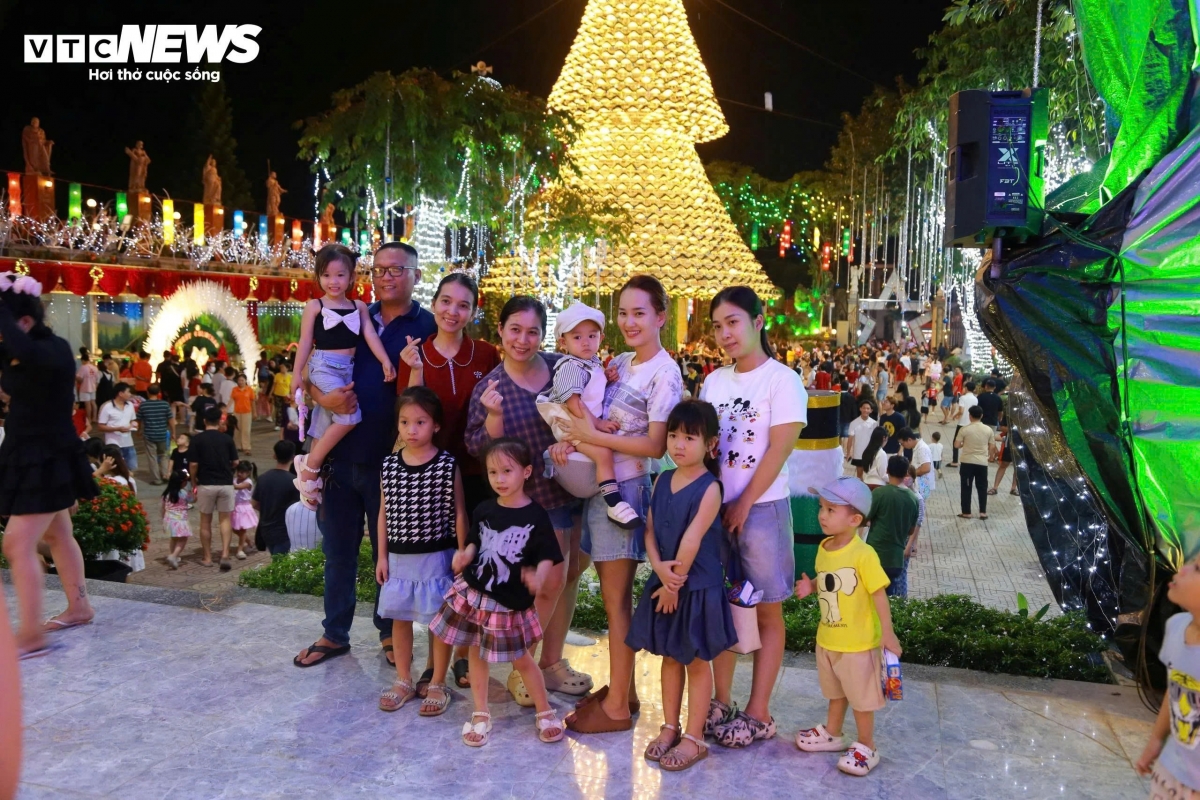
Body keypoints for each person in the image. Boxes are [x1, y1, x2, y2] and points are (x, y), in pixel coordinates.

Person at [293, 241, 436, 669]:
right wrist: (320, 396)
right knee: (337, 551)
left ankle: (389, 632)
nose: (386, 277)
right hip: (341, 456)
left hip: (389, 460)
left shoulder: (427, 323)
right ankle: (334, 632)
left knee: (385, 554)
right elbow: (312, 365)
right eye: (379, 270)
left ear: (415, 274)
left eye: (396, 270)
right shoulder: (355, 311)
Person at [558, 276, 682, 733]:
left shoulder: (665, 373)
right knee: (613, 598)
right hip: (599, 488)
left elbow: (655, 446)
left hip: (626, 490)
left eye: (640, 313)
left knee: (616, 603)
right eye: (623, 313)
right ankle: (622, 692)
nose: (629, 322)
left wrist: (583, 436)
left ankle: (616, 710)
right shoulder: (623, 362)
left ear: (660, 317)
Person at [464, 295, 592, 705]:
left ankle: (552, 663)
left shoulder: (561, 367)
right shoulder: (490, 389)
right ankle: (526, 667)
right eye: (515, 330)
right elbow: (482, 450)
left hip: (579, 487)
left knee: (571, 574)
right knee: (549, 584)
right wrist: (493, 418)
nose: (523, 339)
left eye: (532, 331)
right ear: (500, 331)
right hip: (536, 501)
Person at [700, 286, 806, 749]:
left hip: (761, 511)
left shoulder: (782, 381)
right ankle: (720, 700)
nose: (725, 334)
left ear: (759, 321)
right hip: (715, 509)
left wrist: (744, 503)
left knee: (765, 612)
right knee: (721, 606)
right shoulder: (715, 382)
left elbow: (778, 450)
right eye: (718, 326)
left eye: (734, 322)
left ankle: (759, 712)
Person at [396, 272, 500, 685]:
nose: (452, 311)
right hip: (433, 480)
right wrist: (416, 369)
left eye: (462, 305)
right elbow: (413, 410)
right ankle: (431, 664)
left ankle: (462, 653)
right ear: (434, 303)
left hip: (479, 474)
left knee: (471, 568)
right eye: (445, 301)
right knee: (436, 571)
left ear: (473, 311)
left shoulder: (486, 354)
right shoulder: (415, 354)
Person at [429, 438, 565, 747]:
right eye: (493, 472)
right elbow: (476, 539)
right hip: (477, 592)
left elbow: (548, 554)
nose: (500, 479)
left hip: (509, 601)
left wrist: (538, 576)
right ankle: (480, 712)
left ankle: (544, 711)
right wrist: (465, 554)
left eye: (507, 471)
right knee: (477, 652)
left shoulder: (535, 515)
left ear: (526, 472)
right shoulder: (485, 508)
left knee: (522, 658)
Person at [627, 400, 736, 771]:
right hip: (666, 583)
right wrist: (659, 569)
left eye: (689, 437)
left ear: (710, 444)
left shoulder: (710, 488)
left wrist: (673, 586)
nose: (678, 444)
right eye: (673, 435)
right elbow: (651, 530)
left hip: (696, 587)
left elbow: (691, 540)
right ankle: (669, 726)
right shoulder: (662, 479)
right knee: (670, 657)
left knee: (696, 660)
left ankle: (694, 738)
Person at [0, 273, 97, 659]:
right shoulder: (24, 346)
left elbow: (23, 347)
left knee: (17, 543)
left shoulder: (51, 349)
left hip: (45, 456)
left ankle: (31, 635)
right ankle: (79, 607)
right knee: (58, 535)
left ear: (23, 321)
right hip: (34, 453)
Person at [794, 476, 902, 775]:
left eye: (831, 510)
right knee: (835, 691)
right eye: (822, 507)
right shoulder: (825, 547)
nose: (822, 515)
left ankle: (867, 745)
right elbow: (826, 577)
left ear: (855, 519)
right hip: (828, 638)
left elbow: (879, 595)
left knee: (861, 699)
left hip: (858, 644)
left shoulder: (864, 555)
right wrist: (811, 587)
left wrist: (888, 634)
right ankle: (832, 732)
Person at [375, 387, 466, 718]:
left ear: (436, 426)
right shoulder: (388, 465)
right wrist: (382, 556)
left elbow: (458, 512)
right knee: (399, 619)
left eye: (420, 422)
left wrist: (460, 553)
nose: (411, 430)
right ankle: (403, 679)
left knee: (438, 622)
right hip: (399, 557)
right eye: (404, 422)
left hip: (436, 557)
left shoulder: (445, 464)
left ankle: (439, 681)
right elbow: (383, 512)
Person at [292, 244, 398, 509]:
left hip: (347, 368)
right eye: (326, 275)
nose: (333, 281)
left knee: (326, 418)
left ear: (352, 277)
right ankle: (310, 465)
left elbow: (370, 335)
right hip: (323, 366)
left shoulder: (359, 306)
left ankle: (311, 482)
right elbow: (305, 341)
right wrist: (296, 373)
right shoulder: (314, 306)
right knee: (350, 416)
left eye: (340, 275)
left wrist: (385, 360)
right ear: (318, 277)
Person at [536, 301, 640, 528]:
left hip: (583, 427)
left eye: (592, 336)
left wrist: (607, 375)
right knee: (603, 453)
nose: (586, 342)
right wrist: (598, 424)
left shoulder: (590, 363)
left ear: (601, 338)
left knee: (602, 452)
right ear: (563, 342)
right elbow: (573, 402)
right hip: (574, 425)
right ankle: (614, 504)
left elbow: (593, 387)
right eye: (577, 337)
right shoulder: (570, 367)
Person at [1136, 554, 1200, 797]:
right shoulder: (1176, 626)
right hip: (1170, 772)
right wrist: (1155, 741)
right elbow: (1175, 691)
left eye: (1197, 569)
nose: (1182, 570)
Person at [190, 405, 240, 570]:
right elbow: (235, 462)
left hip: (206, 484)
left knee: (205, 521)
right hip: (225, 483)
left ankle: (207, 557)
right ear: (220, 421)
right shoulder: (226, 439)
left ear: (204, 421)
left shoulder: (197, 439)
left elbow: (193, 465)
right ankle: (225, 554)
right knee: (225, 519)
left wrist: (193, 483)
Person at [865, 456, 920, 597]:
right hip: (896, 560)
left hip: (875, 556)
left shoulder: (879, 493)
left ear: (887, 470)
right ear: (906, 473)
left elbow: (865, 518)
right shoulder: (913, 499)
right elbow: (911, 530)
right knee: (889, 601)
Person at [252, 440, 301, 555]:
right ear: (293, 457)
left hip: (266, 529)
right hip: (285, 531)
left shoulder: (263, 478)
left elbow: (254, 503)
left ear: (274, 455)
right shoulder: (294, 481)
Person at [955, 405, 995, 519]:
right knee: (982, 487)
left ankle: (967, 512)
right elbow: (992, 447)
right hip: (982, 463)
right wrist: (989, 456)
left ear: (970, 416)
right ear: (981, 416)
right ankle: (983, 512)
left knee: (966, 487)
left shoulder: (964, 429)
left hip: (967, 462)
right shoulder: (988, 430)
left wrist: (964, 444)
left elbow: (956, 445)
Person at [96, 381, 139, 471]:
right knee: (115, 470)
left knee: (131, 468)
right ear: (120, 393)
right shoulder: (107, 407)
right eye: (128, 392)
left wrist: (133, 424)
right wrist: (117, 429)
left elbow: (132, 420)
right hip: (113, 444)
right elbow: (100, 426)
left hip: (128, 443)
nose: (130, 394)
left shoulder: (130, 405)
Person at [137, 383, 174, 485]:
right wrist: (173, 432)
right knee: (163, 455)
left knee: (152, 457)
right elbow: (171, 420)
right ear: (159, 393)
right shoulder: (165, 404)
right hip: (162, 434)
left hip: (149, 434)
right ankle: (166, 475)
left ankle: (157, 479)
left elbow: (139, 420)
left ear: (147, 392)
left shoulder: (143, 405)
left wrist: (139, 430)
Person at [161, 470, 192, 569]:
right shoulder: (183, 493)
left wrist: (163, 519)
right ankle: (174, 555)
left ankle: (173, 554)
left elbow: (162, 508)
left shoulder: (166, 493)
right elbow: (193, 499)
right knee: (183, 539)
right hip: (180, 520)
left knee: (174, 538)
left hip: (169, 519)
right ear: (182, 482)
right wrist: (194, 490)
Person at [231, 460, 259, 559]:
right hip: (234, 507)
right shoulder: (234, 479)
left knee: (242, 530)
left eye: (242, 472)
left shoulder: (248, 482)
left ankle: (240, 550)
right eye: (238, 471)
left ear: (248, 473)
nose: (239, 474)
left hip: (244, 509)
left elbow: (238, 487)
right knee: (234, 528)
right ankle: (250, 542)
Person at [948, 381, 977, 468]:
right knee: (969, 442)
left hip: (962, 423)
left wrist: (954, 415)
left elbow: (961, 411)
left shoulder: (963, 398)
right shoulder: (975, 399)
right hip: (971, 423)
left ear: (966, 388)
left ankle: (955, 461)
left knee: (956, 442)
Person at [846, 401, 877, 480]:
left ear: (871, 410)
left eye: (868, 408)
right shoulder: (854, 423)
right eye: (864, 408)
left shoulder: (874, 424)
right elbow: (850, 439)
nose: (865, 410)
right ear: (860, 409)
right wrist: (848, 452)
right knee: (859, 475)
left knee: (870, 475)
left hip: (870, 453)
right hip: (858, 453)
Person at [990, 423, 1019, 496]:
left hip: (1022, 445)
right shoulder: (1009, 414)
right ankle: (995, 487)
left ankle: (1013, 488)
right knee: (1004, 464)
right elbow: (1002, 427)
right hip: (1009, 443)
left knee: (1018, 467)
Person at [230, 373, 255, 454]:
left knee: (246, 430)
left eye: (242, 380)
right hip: (237, 412)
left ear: (245, 381)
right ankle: (238, 446)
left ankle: (246, 447)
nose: (240, 382)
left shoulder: (249, 390)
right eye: (239, 380)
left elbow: (252, 401)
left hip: (247, 412)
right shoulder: (234, 389)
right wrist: (226, 409)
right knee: (237, 430)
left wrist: (255, 412)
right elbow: (231, 400)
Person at [76, 347, 99, 421]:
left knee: (87, 404)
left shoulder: (83, 367)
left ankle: (88, 418)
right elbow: (97, 378)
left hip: (85, 387)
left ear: (83, 360)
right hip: (93, 387)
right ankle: (94, 417)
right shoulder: (94, 367)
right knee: (93, 402)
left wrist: (75, 377)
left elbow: (80, 379)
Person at [271, 362, 292, 431]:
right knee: (278, 410)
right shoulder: (277, 375)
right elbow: (274, 385)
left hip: (286, 395)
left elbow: (291, 387)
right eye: (281, 368)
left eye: (283, 367)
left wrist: (292, 394)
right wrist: (271, 393)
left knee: (286, 409)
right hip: (277, 394)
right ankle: (278, 424)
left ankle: (286, 423)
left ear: (287, 368)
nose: (282, 369)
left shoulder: (290, 377)